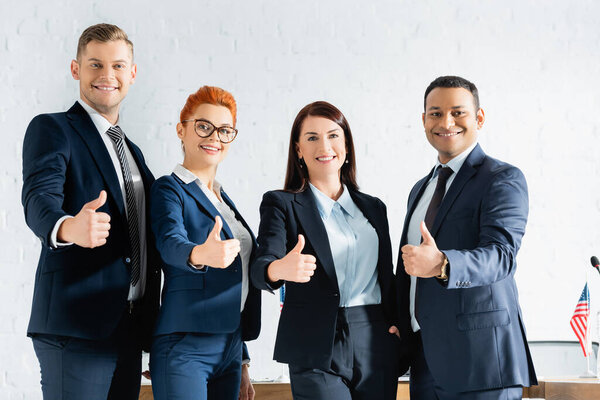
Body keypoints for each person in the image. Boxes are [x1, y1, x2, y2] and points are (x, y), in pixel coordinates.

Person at [21, 23, 161, 400]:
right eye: (95, 64)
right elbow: (38, 199)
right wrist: (68, 227)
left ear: (132, 73)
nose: (106, 75)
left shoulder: (133, 153)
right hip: (76, 327)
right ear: (75, 69)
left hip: (129, 328)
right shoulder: (53, 129)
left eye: (117, 66)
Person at [251, 101, 405, 400]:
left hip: (374, 337)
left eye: (334, 135)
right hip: (313, 340)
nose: (325, 145)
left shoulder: (374, 208)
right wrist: (278, 270)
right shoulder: (281, 203)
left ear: (346, 143)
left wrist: (398, 325)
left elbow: (388, 276)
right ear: (298, 149)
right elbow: (261, 266)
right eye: (312, 137)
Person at [397, 75, 537, 399]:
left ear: (479, 118)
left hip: (482, 363)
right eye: (435, 113)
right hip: (425, 361)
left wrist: (443, 264)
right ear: (423, 121)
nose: (446, 122)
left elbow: (501, 255)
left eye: (458, 112)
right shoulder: (420, 189)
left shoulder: (502, 178)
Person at [149, 86, 261, 400]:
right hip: (185, 344)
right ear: (181, 130)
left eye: (224, 130)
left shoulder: (223, 199)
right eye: (203, 127)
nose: (214, 137)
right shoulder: (169, 189)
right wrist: (199, 253)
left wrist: (242, 360)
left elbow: (235, 283)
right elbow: (170, 242)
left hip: (231, 347)